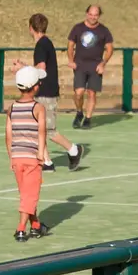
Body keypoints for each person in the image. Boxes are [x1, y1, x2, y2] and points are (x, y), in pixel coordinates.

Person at [12, 14, 83, 171]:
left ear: (31, 28)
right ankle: (46, 162)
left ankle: (74, 150)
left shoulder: (41, 45)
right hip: (43, 91)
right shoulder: (45, 43)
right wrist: (25, 66)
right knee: (39, 128)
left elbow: (41, 70)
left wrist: (21, 69)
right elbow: (40, 67)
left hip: (46, 92)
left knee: (49, 129)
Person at [5, 65, 50, 241]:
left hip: (16, 157)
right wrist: (42, 154)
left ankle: (36, 225)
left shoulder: (12, 108)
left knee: (26, 194)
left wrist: (11, 157)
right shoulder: (38, 108)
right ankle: (21, 229)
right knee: (29, 195)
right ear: (36, 86)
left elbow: (8, 136)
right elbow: (42, 132)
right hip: (32, 157)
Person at [67, 5, 116, 129]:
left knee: (91, 93)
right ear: (86, 13)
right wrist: (71, 60)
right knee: (78, 92)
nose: (93, 17)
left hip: (95, 66)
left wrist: (103, 63)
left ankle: (88, 119)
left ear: (99, 16)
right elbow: (70, 45)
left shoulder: (104, 31)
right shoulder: (77, 28)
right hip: (80, 65)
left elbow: (110, 49)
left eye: (96, 15)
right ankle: (79, 113)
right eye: (91, 14)